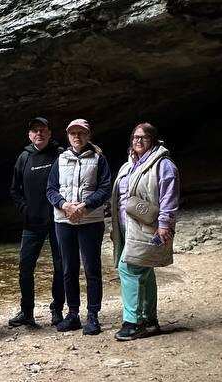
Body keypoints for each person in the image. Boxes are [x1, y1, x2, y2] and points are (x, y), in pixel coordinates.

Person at [110, 121, 180, 341]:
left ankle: (133, 323)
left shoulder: (163, 164)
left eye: (144, 137)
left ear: (153, 140)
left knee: (128, 267)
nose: (138, 141)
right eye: (135, 137)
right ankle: (149, 320)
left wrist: (164, 224)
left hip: (148, 228)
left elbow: (169, 196)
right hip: (127, 228)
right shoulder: (129, 164)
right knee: (145, 271)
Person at [46, 119, 112, 335]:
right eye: (73, 133)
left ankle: (93, 315)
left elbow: (105, 188)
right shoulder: (60, 159)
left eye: (81, 133)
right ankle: (73, 314)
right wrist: (64, 205)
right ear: (68, 136)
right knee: (69, 269)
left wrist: (85, 206)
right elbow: (51, 189)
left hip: (90, 221)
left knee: (92, 269)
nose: (77, 136)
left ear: (88, 135)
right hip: (64, 221)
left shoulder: (98, 159)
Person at [8, 116, 65, 328]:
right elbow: (15, 190)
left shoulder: (60, 155)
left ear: (49, 133)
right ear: (29, 135)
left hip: (58, 220)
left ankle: (57, 309)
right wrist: (25, 209)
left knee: (61, 266)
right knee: (25, 267)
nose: (39, 133)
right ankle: (27, 311)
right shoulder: (24, 157)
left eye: (42, 130)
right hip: (32, 222)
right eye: (35, 130)